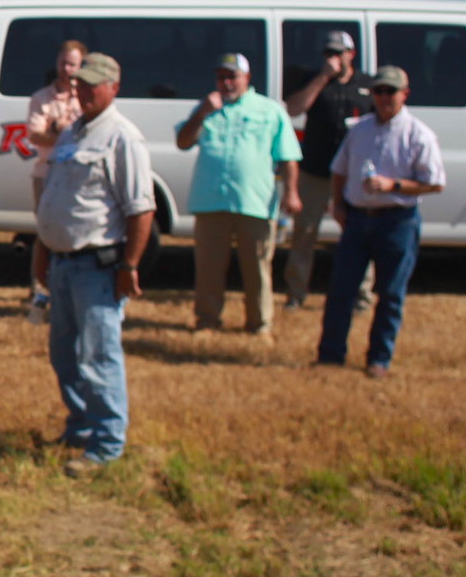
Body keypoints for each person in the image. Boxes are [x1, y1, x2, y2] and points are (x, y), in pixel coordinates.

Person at [32, 53, 154, 476]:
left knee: (98, 356)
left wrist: (129, 265)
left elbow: (141, 210)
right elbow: (56, 197)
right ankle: (80, 426)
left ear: (113, 88)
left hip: (97, 268)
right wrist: (43, 248)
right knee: (64, 353)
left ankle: (106, 443)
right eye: (79, 84)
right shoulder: (70, 134)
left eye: (92, 85)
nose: (82, 91)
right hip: (62, 265)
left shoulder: (123, 138)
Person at [316, 67, 445, 380]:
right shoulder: (359, 130)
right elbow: (339, 169)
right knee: (341, 291)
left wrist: (394, 186)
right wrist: (340, 206)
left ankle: (379, 359)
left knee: (390, 293)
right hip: (358, 219)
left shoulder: (419, 134)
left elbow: (435, 183)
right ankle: (330, 356)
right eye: (379, 92)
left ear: (405, 94)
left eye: (391, 92)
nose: (385, 98)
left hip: (397, 221)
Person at [174, 53, 302, 339]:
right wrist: (201, 113)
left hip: (254, 201)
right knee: (208, 266)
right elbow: (182, 142)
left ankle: (260, 325)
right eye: (222, 77)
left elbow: (289, 157)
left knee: (257, 266)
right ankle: (207, 320)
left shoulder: (269, 110)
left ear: (247, 78)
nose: (227, 82)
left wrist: (291, 193)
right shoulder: (207, 107)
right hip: (210, 200)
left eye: (233, 76)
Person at [284, 30, 376, 309]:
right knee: (304, 233)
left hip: (353, 173)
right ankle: (296, 295)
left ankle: (361, 296)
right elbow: (293, 109)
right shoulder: (313, 79)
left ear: (352, 54)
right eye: (328, 54)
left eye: (338, 53)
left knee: (359, 233)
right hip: (315, 170)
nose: (333, 58)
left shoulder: (367, 85)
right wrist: (323, 76)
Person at [25, 40, 86, 302]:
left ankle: (71, 288)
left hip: (78, 175)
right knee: (45, 231)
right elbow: (36, 137)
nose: (67, 69)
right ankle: (39, 288)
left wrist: (59, 130)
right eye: (63, 63)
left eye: (72, 64)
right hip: (47, 173)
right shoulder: (41, 98)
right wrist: (58, 130)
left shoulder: (87, 99)